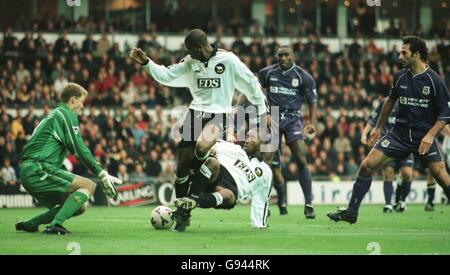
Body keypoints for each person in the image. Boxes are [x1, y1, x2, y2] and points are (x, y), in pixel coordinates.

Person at [129, 29, 268, 206]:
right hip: (195, 113)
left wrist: (262, 111)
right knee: (181, 168)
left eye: (190, 50)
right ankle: (181, 210)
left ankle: (200, 173)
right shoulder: (190, 62)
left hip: (219, 114)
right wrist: (146, 63)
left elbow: (251, 84)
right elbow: (167, 75)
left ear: (199, 47)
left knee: (202, 147)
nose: (188, 54)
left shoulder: (229, 61)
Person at [328, 36, 450, 224]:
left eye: (404, 52)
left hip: (423, 136)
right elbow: (389, 102)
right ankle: (351, 212)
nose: (399, 55)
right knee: (366, 165)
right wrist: (377, 128)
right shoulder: (399, 76)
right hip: (398, 134)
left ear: (416, 55)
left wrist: (430, 135)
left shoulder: (435, 81)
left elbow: (445, 113)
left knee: (441, 175)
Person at [16, 83, 122, 235]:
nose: (82, 107)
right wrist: (100, 172)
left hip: (31, 169)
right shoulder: (65, 114)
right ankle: (55, 225)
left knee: (79, 206)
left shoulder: (55, 114)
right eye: (81, 101)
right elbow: (79, 148)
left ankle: (32, 224)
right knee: (89, 186)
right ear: (72, 100)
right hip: (38, 168)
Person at [257, 46, 317, 218]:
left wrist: (312, 122)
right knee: (266, 161)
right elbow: (257, 92)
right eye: (280, 55)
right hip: (273, 118)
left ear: (293, 56)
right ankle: (263, 204)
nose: (282, 58)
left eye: (286, 55)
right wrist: (264, 113)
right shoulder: (266, 73)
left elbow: (312, 101)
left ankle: (309, 203)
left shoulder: (303, 76)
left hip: (292, 118)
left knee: (300, 158)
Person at [173, 128, 273, 232]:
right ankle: (188, 205)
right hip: (217, 175)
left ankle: (188, 204)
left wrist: (260, 224)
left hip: (232, 189)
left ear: (262, 143)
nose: (247, 140)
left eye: (252, 138)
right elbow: (209, 143)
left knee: (228, 196)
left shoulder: (265, 172)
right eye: (247, 136)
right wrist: (211, 149)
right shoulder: (234, 148)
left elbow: (262, 199)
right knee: (213, 163)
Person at [361, 98, 414, 213]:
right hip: (388, 143)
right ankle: (388, 204)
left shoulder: (411, 101)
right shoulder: (386, 102)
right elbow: (373, 120)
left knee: (407, 174)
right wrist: (364, 134)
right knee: (388, 172)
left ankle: (402, 201)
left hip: (405, 143)